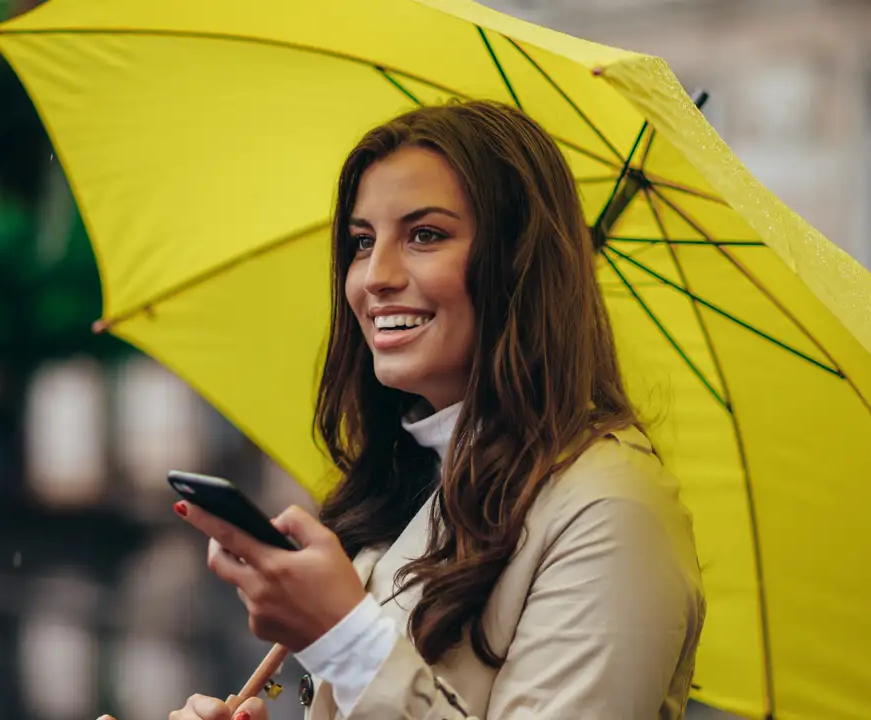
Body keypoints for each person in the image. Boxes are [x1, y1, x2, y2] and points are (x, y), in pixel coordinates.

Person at [162, 99, 705, 719]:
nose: (374, 277)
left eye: (425, 235)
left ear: (517, 263)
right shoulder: (408, 489)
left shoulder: (612, 513)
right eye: (362, 242)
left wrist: (345, 638)